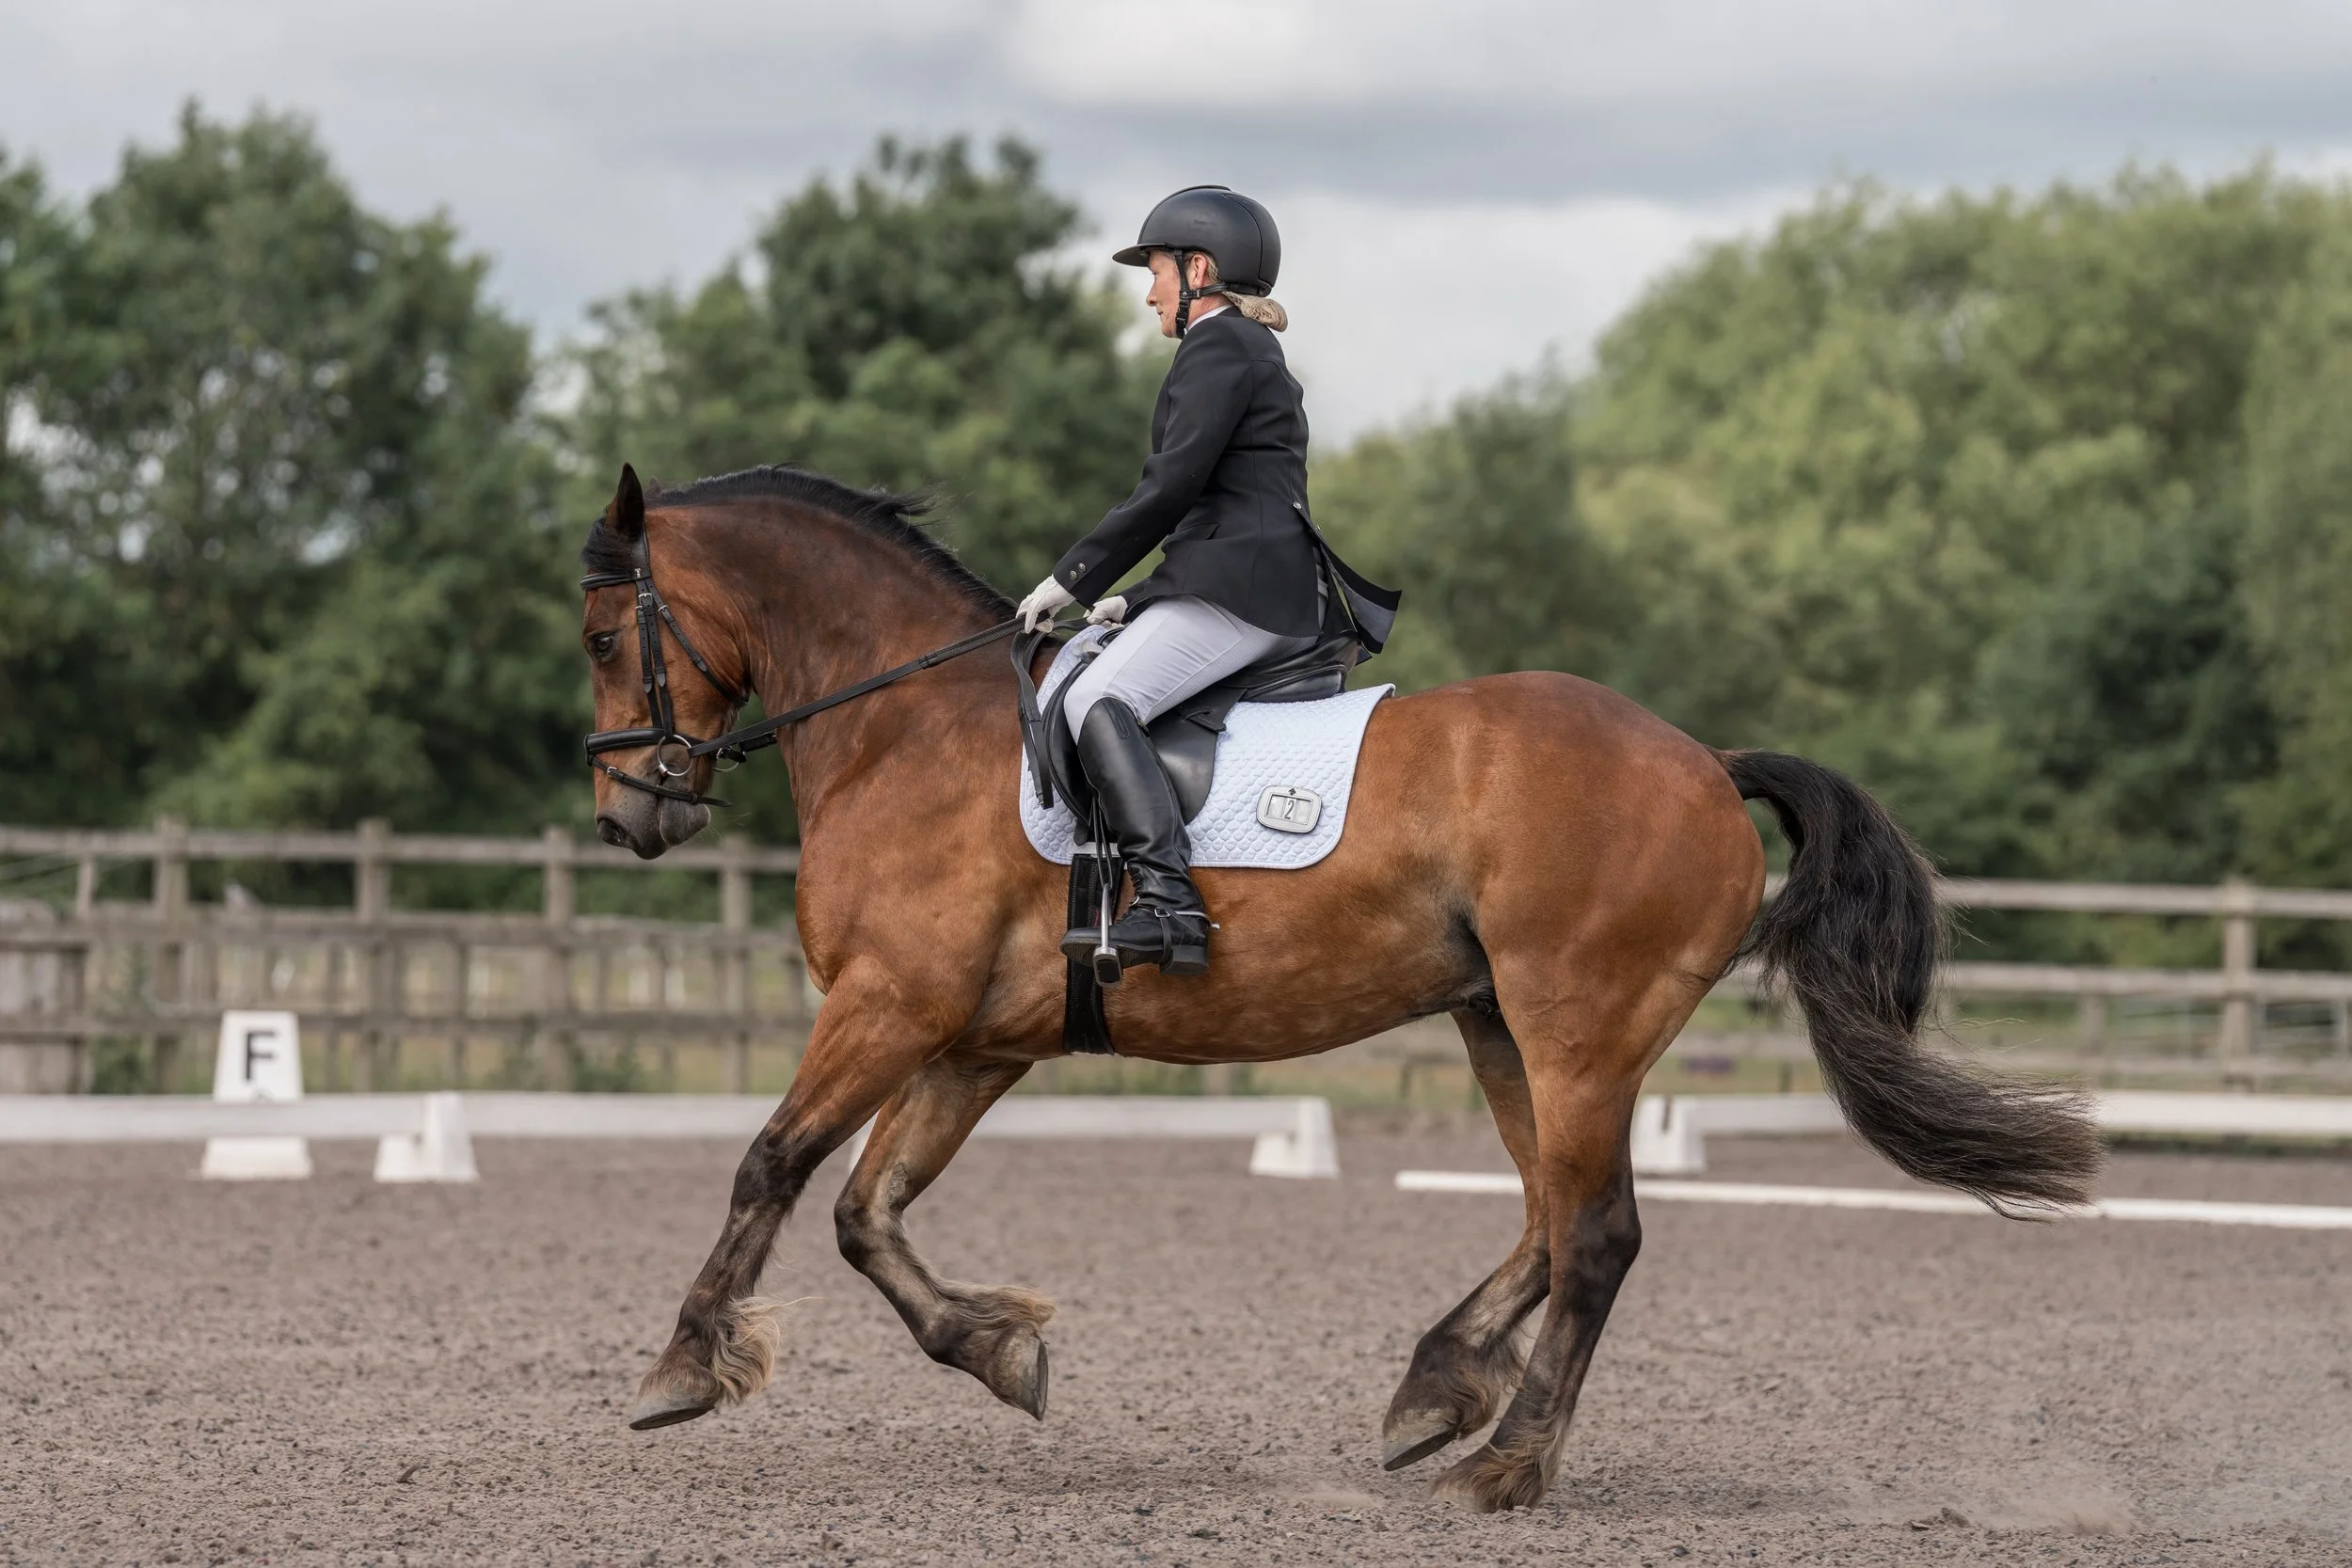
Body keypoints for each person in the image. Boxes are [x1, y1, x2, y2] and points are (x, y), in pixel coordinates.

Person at [1017, 185, 1391, 979]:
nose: (1149, 291)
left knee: (1092, 699)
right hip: (1244, 578)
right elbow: (1227, 507)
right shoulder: (1247, 352)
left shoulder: (1220, 348)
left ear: (1199, 269)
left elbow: (1169, 489)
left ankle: (1167, 899)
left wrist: (1071, 576)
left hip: (1247, 594)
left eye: (1154, 272)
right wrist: (1140, 596)